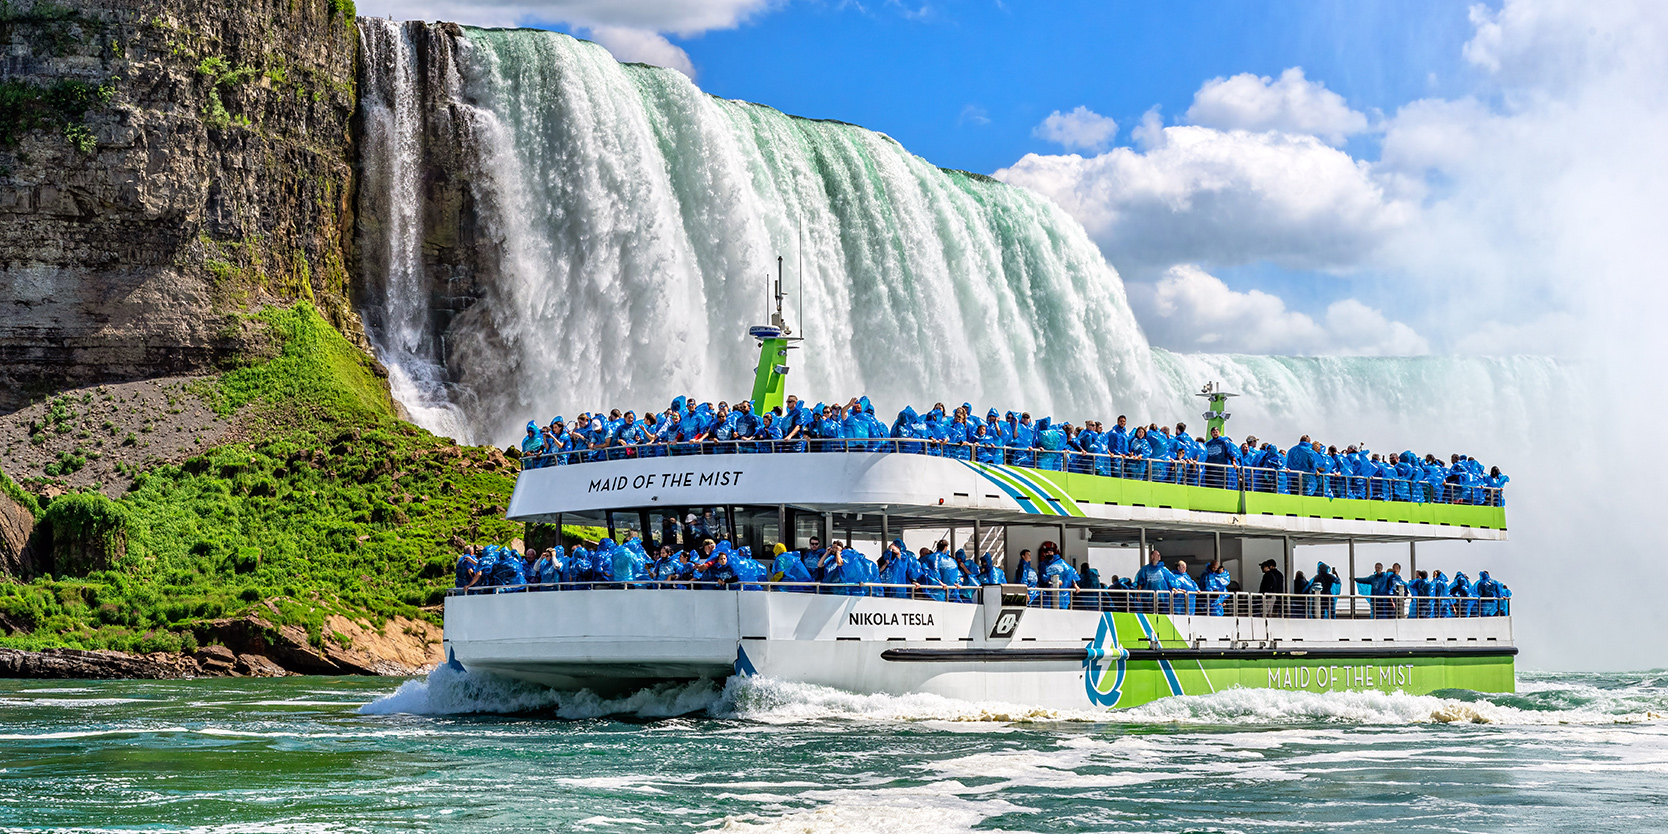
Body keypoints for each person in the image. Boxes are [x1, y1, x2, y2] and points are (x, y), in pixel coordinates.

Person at [1134, 549, 1172, 613]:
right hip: (1148, 597)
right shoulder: (1145, 569)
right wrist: (1138, 594)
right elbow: (1140, 582)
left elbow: (1170, 580)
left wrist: (1174, 588)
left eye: (1159, 555)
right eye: (1157, 555)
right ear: (1152, 556)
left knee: (1161, 613)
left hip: (1161, 598)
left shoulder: (1163, 569)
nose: (1159, 556)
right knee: (1149, 613)